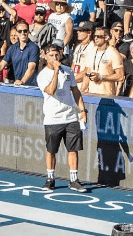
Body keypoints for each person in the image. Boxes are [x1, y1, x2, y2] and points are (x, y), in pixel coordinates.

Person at [37, 40, 87, 192]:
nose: (55, 57)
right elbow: (51, 91)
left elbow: (75, 91)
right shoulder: (42, 75)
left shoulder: (68, 71)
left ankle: (74, 180)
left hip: (70, 117)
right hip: (53, 118)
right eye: (51, 55)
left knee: (73, 149)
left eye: (56, 54)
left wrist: (82, 110)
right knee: (51, 150)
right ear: (45, 57)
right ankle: (50, 178)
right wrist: (56, 72)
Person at [0, 20, 40, 85]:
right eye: (20, 31)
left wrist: (22, 81)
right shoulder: (12, 48)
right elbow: (2, 64)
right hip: (17, 84)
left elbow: (31, 67)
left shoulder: (33, 47)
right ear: (17, 33)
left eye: (25, 31)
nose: (22, 33)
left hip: (30, 86)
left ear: (28, 32)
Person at [82, 25, 124, 96]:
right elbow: (86, 74)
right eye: (94, 36)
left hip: (106, 95)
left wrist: (101, 77)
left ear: (106, 37)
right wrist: (81, 91)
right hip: (91, 94)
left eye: (98, 36)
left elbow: (120, 76)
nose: (95, 38)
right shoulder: (91, 52)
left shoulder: (113, 53)